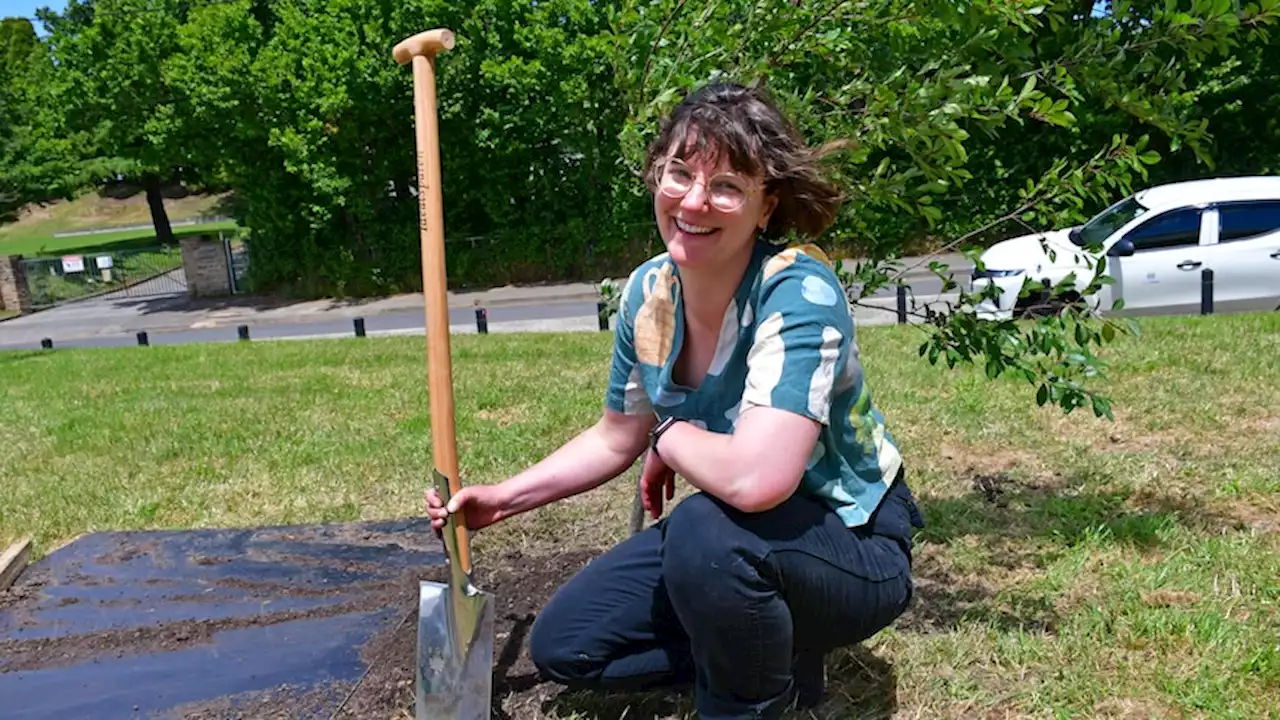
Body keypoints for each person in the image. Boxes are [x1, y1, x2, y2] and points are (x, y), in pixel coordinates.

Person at [426, 81, 925, 719]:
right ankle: (770, 645)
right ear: (656, 175)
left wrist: (668, 435)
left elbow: (756, 479)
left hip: (852, 542)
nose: (694, 201)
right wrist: (502, 499)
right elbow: (616, 435)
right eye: (679, 173)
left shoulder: (797, 290)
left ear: (765, 206)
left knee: (704, 530)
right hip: (735, 534)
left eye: (726, 186)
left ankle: (750, 702)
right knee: (569, 647)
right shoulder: (650, 293)